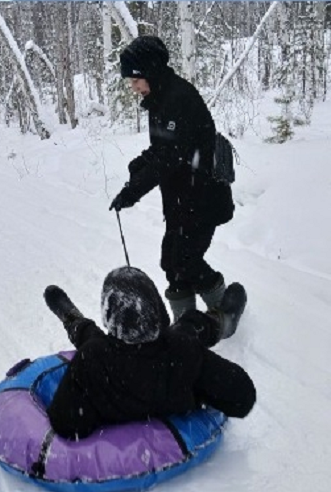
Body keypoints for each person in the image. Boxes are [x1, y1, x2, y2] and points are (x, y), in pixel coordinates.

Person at [42, 266, 254, 440]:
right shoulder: (182, 350)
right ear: (158, 310)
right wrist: (199, 385)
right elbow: (242, 399)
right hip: (167, 352)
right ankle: (222, 319)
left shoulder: (93, 359)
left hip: (110, 357)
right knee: (190, 325)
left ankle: (73, 320)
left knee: (91, 339)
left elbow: (67, 424)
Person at [110, 36, 235, 322]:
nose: (133, 86)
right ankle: (186, 325)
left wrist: (132, 191)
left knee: (186, 262)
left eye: (135, 79)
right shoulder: (160, 99)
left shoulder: (178, 99)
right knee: (172, 263)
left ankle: (223, 310)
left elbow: (169, 158)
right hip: (182, 199)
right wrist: (139, 163)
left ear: (150, 71)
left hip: (202, 198)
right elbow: (165, 148)